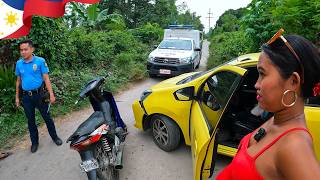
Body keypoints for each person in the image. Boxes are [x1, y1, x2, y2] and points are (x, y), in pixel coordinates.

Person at [217, 29, 320, 179]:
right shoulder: (278, 118)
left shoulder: (295, 147)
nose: (256, 84)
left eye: (262, 74)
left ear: (293, 81)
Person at [15, 39, 62, 153]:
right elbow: (18, 80)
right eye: (21, 50)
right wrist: (17, 97)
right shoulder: (19, 63)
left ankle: (55, 137)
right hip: (26, 97)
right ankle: (34, 142)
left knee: (47, 118)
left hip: (40, 95)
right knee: (30, 121)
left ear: (32, 49)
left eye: (25, 49)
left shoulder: (40, 61)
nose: (23, 52)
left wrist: (51, 94)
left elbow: (46, 78)